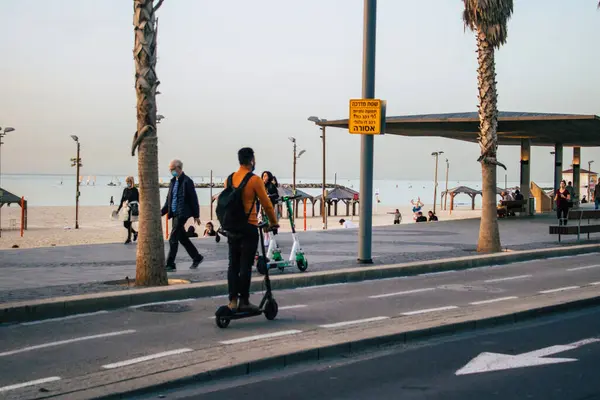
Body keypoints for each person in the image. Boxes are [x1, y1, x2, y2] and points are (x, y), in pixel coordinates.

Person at [223, 147, 279, 312]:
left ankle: (232, 301)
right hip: (249, 227)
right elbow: (267, 204)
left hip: (232, 228)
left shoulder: (229, 179)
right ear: (252, 161)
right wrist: (274, 223)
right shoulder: (255, 180)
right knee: (245, 266)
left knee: (232, 265)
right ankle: (244, 301)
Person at [161, 159, 204, 271]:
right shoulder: (173, 182)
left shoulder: (187, 181)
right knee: (182, 238)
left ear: (179, 168)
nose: (171, 171)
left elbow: (193, 198)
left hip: (182, 214)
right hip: (174, 213)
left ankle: (170, 263)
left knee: (173, 238)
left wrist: (196, 215)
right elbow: (169, 199)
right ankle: (197, 257)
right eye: (170, 170)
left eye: (173, 169)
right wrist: (161, 212)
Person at [116, 176, 139, 244]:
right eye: (127, 182)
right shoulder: (125, 190)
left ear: (132, 182)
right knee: (125, 224)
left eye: (129, 182)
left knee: (129, 223)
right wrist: (118, 210)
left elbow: (138, 199)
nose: (128, 183)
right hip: (126, 209)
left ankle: (129, 238)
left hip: (132, 208)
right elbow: (122, 200)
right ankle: (135, 233)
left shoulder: (135, 190)